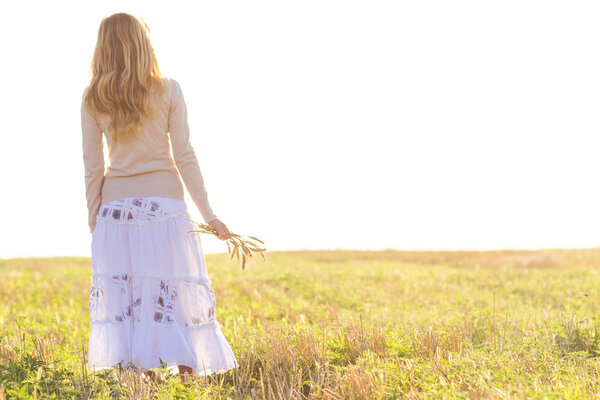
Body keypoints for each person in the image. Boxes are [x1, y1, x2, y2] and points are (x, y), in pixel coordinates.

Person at [81, 12, 239, 381]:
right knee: (176, 294)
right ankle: (186, 377)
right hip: (166, 208)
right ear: (143, 42)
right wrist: (209, 214)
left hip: (116, 212)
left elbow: (93, 168)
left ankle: (145, 382)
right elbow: (184, 155)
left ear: (103, 48)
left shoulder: (93, 97)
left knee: (131, 300)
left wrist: (95, 220)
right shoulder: (168, 89)